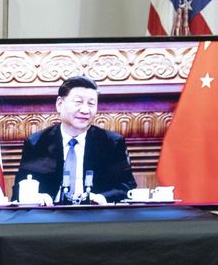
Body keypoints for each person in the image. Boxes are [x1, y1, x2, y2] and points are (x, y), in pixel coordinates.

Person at [11, 75, 136, 205]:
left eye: (91, 104)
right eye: (78, 102)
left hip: (96, 217)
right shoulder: (37, 142)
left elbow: (127, 186)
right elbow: (20, 189)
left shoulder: (111, 143)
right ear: (60, 104)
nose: (85, 110)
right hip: (50, 218)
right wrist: (36, 197)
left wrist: (102, 198)